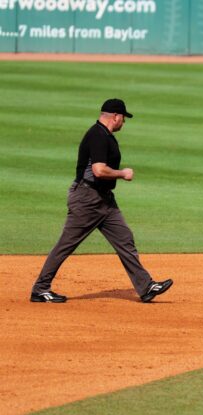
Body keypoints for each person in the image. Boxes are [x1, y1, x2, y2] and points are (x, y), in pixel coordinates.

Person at [30, 99, 173, 303]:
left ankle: (146, 286)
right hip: (87, 199)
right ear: (115, 116)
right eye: (123, 118)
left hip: (104, 200)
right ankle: (40, 289)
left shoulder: (106, 135)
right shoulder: (97, 136)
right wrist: (122, 173)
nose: (124, 122)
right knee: (66, 244)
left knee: (124, 238)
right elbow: (98, 170)